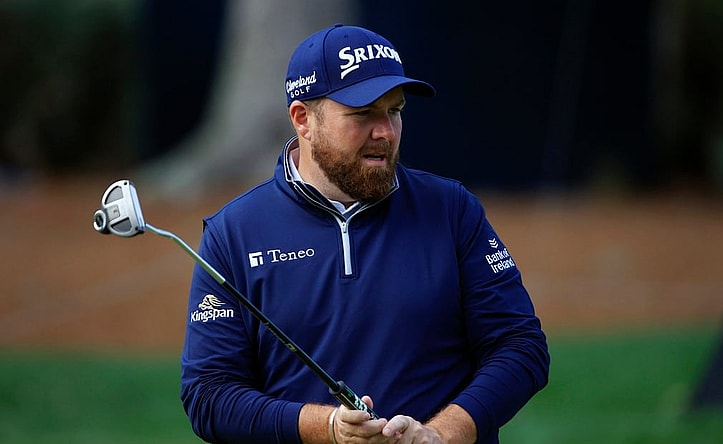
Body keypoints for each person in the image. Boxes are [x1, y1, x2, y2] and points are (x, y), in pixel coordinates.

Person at [180, 23, 550, 444]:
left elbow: (521, 347)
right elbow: (208, 395)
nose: (386, 132)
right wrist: (328, 429)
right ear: (303, 119)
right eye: (363, 114)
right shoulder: (234, 233)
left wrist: (444, 434)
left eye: (395, 110)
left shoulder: (451, 210)